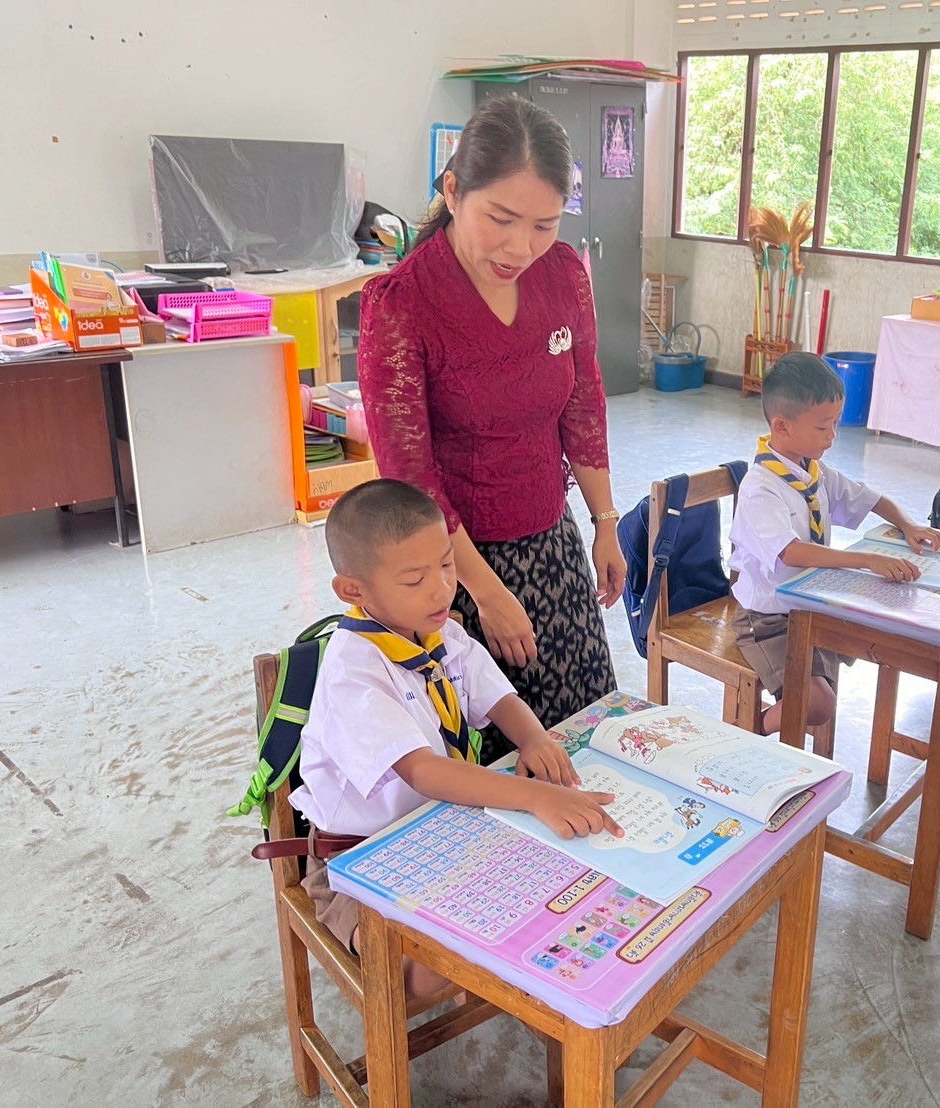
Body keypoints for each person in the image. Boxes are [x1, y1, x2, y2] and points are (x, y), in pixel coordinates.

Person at [357, 97, 623, 763]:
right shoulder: (403, 303)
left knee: (585, 735)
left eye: (543, 225)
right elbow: (409, 478)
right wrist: (483, 590)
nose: (520, 247)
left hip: (553, 545)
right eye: (499, 219)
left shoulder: (562, 274)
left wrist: (605, 521)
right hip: (451, 568)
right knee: (498, 763)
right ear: (452, 192)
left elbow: (583, 402)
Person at [291, 479, 622, 993]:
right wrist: (534, 795)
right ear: (353, 590)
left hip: (444, 830)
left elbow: (497, 696)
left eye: (447, 565)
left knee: (556, 893)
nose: (441, 589)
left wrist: (534, 739)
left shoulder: (441, 632)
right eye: (414, 579)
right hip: (359, 859)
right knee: (426, 972)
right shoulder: (352, 671)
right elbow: (423, 772)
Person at [729, 353, 940, 735]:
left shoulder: (813, 472)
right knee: (818, 703)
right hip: (767, 616)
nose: (832, 436)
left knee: (885, 636)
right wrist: (865, 560)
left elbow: (870, 498)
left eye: (835, 423)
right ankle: (750, 728)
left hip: (810, 603)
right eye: (823, 426)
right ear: (781, 426)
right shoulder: (760, 488)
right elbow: (791, 552)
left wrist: (908, 525)